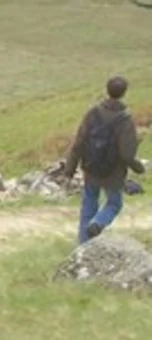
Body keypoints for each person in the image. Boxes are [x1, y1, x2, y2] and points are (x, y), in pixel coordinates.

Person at [62, 76, 145, 243]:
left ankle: (83, 245)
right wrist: (139, 168)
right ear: (124, 93)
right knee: (114, 204)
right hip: (113, 172)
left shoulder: (92, 113)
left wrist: (69, 170)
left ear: (106, 90)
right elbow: (127, 154)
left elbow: (78, 143)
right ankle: (98, 223)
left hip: (91, 168)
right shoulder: (125, 120)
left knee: (88, 204)